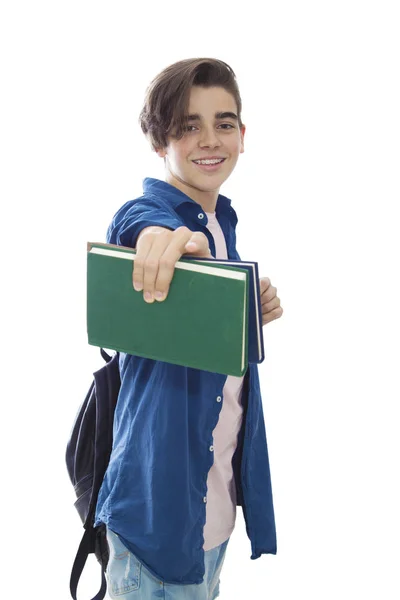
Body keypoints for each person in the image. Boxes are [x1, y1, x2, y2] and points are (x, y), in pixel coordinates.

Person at [94, 57, 283, 600]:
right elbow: (137, 227)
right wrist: (159, 238)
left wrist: (250, 304)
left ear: (243, 136)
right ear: (160, 142)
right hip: (157, 524)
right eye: (187, 125)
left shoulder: (224, 223)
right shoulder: (154, 210)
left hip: (213, 516)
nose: (209, 139)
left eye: (223, 123)